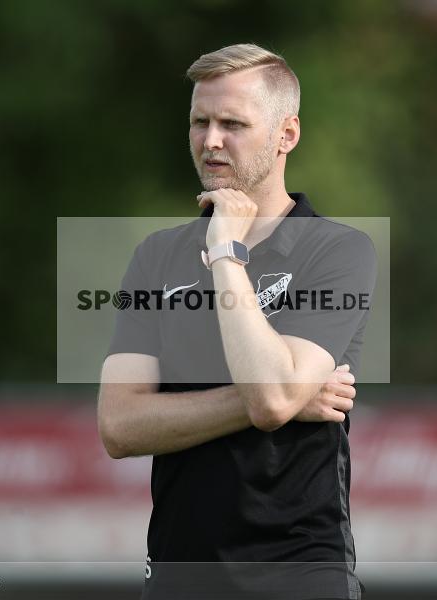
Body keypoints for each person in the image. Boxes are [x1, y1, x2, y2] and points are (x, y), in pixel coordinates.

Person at [98, 43, 376, 600]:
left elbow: (272, 398)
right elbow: (120, 426)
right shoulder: (156, 257)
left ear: (286, 135)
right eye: (200, 122)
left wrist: (227, 253)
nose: (211, 140)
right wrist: (273, 396)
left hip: (301, 572)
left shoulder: (339, 252)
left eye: (233, 124)